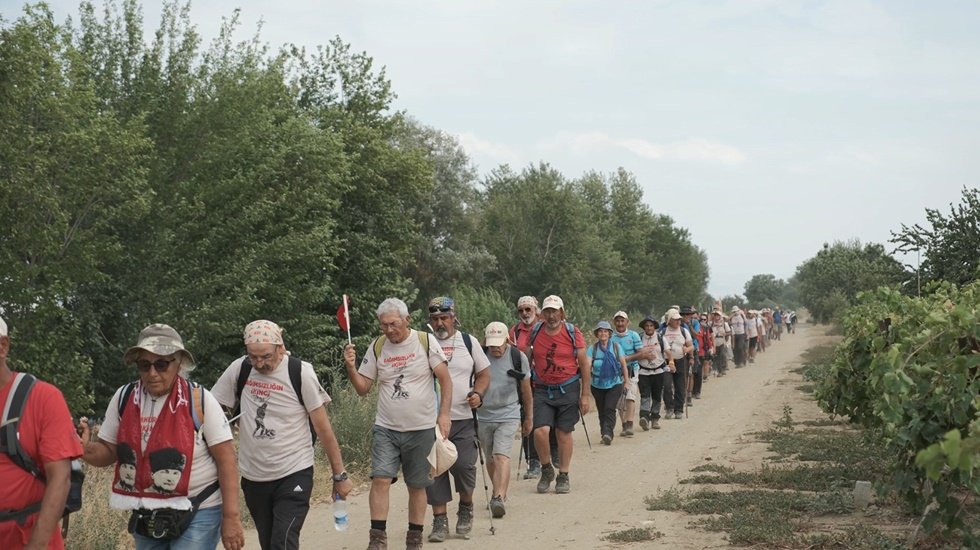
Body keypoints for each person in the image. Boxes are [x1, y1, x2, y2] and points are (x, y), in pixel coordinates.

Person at [78, 324, 245, 550]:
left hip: (199, 509)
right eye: (145, 365)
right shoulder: (125, 398)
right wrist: (84, 449)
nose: (152, 373)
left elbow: (227, 461)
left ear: (179, 363)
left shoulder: (200, 400)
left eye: (161, 364)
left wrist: (231, 517)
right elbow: (109, 452)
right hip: (148, 513)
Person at [211, 320, 352, 550]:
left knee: (283, 542)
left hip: (294, 471)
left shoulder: (299, 372)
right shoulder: (240, 369)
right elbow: (214, 409)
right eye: (253, 356)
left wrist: (340, 475)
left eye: (265, 356)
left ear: (280, 347)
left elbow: (323, 428)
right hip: (254, 477)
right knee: (269, 543)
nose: (259, 363)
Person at [343, 298, 453, 550]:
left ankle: (414, 538)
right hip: (386, 427)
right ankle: (377, 539)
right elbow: (363, 388)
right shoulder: (378, 346)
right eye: (384, 325)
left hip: (421, 428)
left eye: (394, 324)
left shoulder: (425, 341)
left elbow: (445, 381)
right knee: (380, 479)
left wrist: (444, 414)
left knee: (417, 485)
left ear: (407, 320)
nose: (389, 330)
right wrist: (350, 367)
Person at [0, 315, 83, 550]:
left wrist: (36, 546)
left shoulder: (42, 398)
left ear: (3, 346)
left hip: (28, 537)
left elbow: (60, 478)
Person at [423, 297, 490, 542]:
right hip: (430, 419)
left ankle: (466, 507)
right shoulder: (423, 343)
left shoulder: (468, 342)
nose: (440, 323)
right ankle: (439, 521)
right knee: (435, 468)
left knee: (463, 465)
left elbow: (483, 373)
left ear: (454, 317)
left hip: (463, 417)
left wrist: (478, 393)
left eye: (444, 317)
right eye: (435, 318)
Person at [526, 295, 590, 494]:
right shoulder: (536, 331)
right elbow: (527, 358)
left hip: (568, 387)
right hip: (543, 388)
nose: (551, 315)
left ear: (562, 312)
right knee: (540, 431)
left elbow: (584, 363)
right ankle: (546, 469)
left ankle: (563, 474)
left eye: (555, 311)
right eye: (548, 311)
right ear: (542, 313)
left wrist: (585, 394)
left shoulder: (573, 333)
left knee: (563, 433)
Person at [477, 322, 532, 519]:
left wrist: (529, 418)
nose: (495, 348)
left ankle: (499, 496)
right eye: (491, 344)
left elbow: (526, 390)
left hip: (509, 413)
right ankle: (497, 491)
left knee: (501, 456)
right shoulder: (479, 356)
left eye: (498, 344)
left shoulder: (518, 357)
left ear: (507, 340)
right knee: (490, 459)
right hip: (483, 415)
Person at [507, 296, 557, 479]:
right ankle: (533, 462)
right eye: (521, 310)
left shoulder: (547, 327)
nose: (524, 314)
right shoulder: (514, 331)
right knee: (528, 419)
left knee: (547, 419)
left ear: (536, 310)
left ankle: (553, 449)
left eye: (528, 309)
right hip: (524, 382)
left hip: (546, 380)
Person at [587, 321, 629, 445]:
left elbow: (623, 365)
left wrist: (626, 382)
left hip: (615, 383)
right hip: (597, 385)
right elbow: (588, 365)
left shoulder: (616, 347)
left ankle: (608, 433)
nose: (603, 333)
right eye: (600, 331)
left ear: (609, 334)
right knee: (601, 410)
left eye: (605, 331)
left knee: (609, 408)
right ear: (597, 334)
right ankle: (603, 432)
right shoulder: (592, 349)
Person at [636, 315, 673, 430]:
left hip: (658, 371)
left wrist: (671, 361)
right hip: (643, 372)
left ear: (655, 327)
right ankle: (645, 418)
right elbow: (635, 353)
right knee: (645, 395)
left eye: (651, 325)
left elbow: (667, 351)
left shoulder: (661, 338)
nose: (649, 328)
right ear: (643, 327)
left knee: (657, 396)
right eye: (646, 326)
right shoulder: (639, 338)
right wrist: (643, 355)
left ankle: (655, 418)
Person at [610, 312, 643, 437]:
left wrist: (626, 359)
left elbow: (641, 353)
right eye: (617, 321)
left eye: (622, 321)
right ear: (614, 322)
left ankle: (629, 424)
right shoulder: (611, 337)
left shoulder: (634, 335)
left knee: (630, 396)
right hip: (616, 372)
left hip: (632, 370)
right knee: (620, 399)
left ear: (627, 322)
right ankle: (624, 424)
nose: (620, 323)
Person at [659, 309, 693, 419]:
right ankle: (669, 408)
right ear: (669, 320)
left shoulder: (683, 331)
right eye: (675, 319)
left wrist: (687, 351)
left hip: (681, 361)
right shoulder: (663, 332)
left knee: (680, 387)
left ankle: (678, 410)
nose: (678, 321)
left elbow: (692, 346)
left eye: (679, 319)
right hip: (666, 362)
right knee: (667, 385)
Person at [709, 309, 731, 377]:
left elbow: (729, 332)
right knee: (717, 357)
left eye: (718, 315)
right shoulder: (711, 324)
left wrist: (725, 337)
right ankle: (720, 371)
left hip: (722, 341)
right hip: (714, 342)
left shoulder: (724, 324)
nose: (716, 317)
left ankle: (723, 368)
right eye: (715, 315)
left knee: (722, 355)